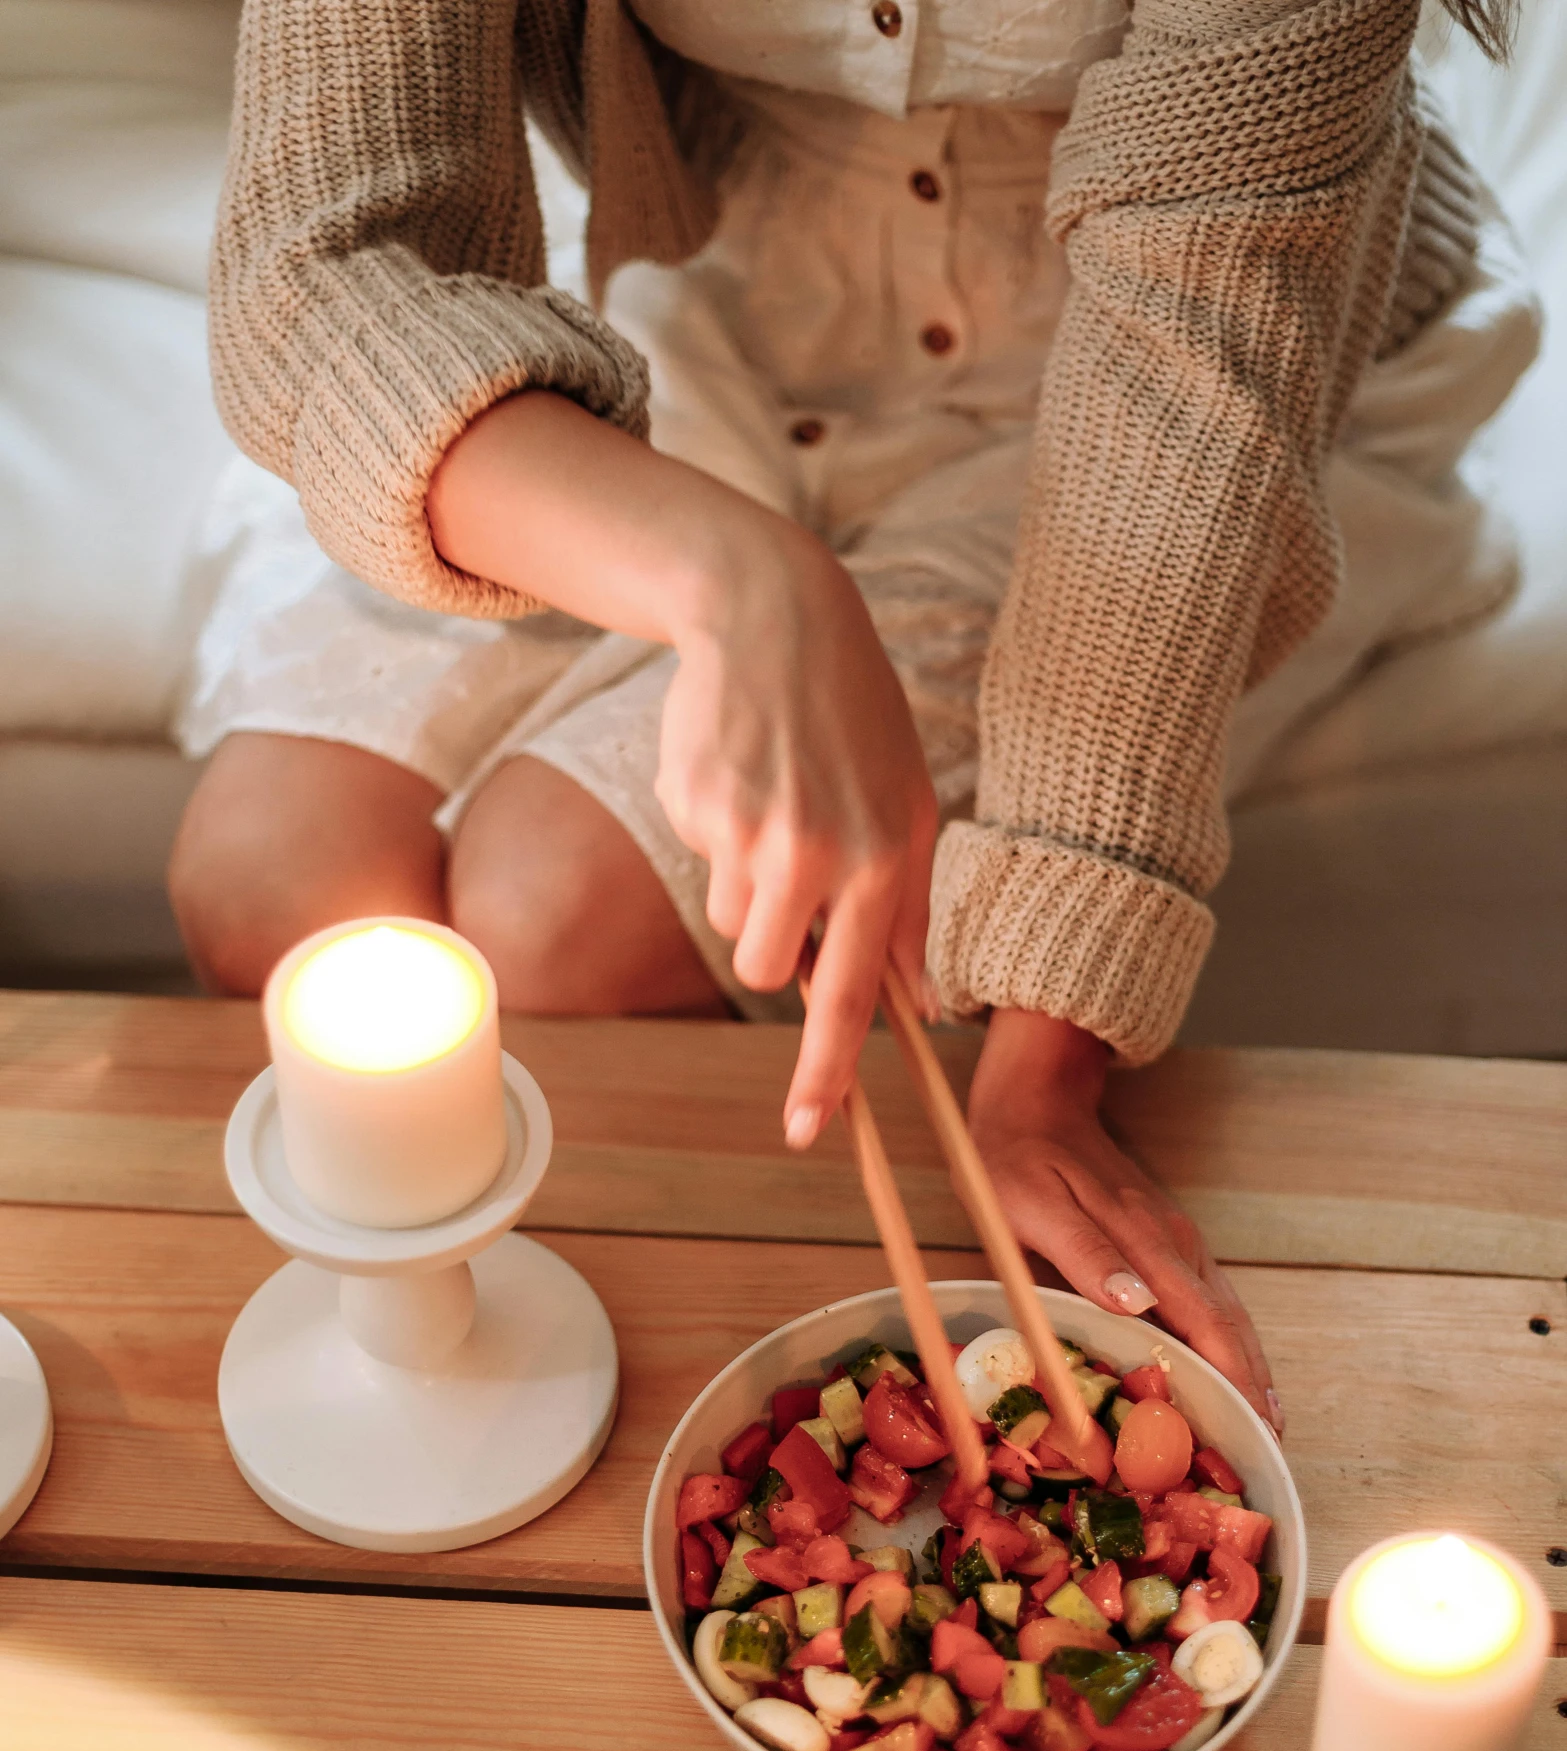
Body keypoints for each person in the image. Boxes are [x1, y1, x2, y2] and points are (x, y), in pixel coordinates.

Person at [169, 0, 1536, 1430]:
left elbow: (1191, 360)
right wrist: (744, 585)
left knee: (549, 912)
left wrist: (1042, 1058)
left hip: (1179, 343)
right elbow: (325, 256)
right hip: (705, 284)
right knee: (275, 886)